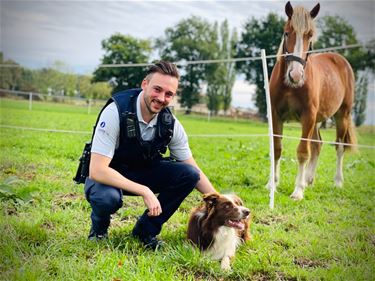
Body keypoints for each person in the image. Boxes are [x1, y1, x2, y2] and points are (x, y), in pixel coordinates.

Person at [84, 61, 216, 250]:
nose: (162, 98)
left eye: (169, 94)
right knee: (107, 199)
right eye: (157, 89)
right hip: (109, 176)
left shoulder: (170, 123)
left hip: (143, 172)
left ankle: (145, 231)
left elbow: (192, 168)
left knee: (189, 175)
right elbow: (97, 170)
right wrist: (144, 191)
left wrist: (218, 200)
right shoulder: (115, 111)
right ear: (144, 84)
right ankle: (98, 231)